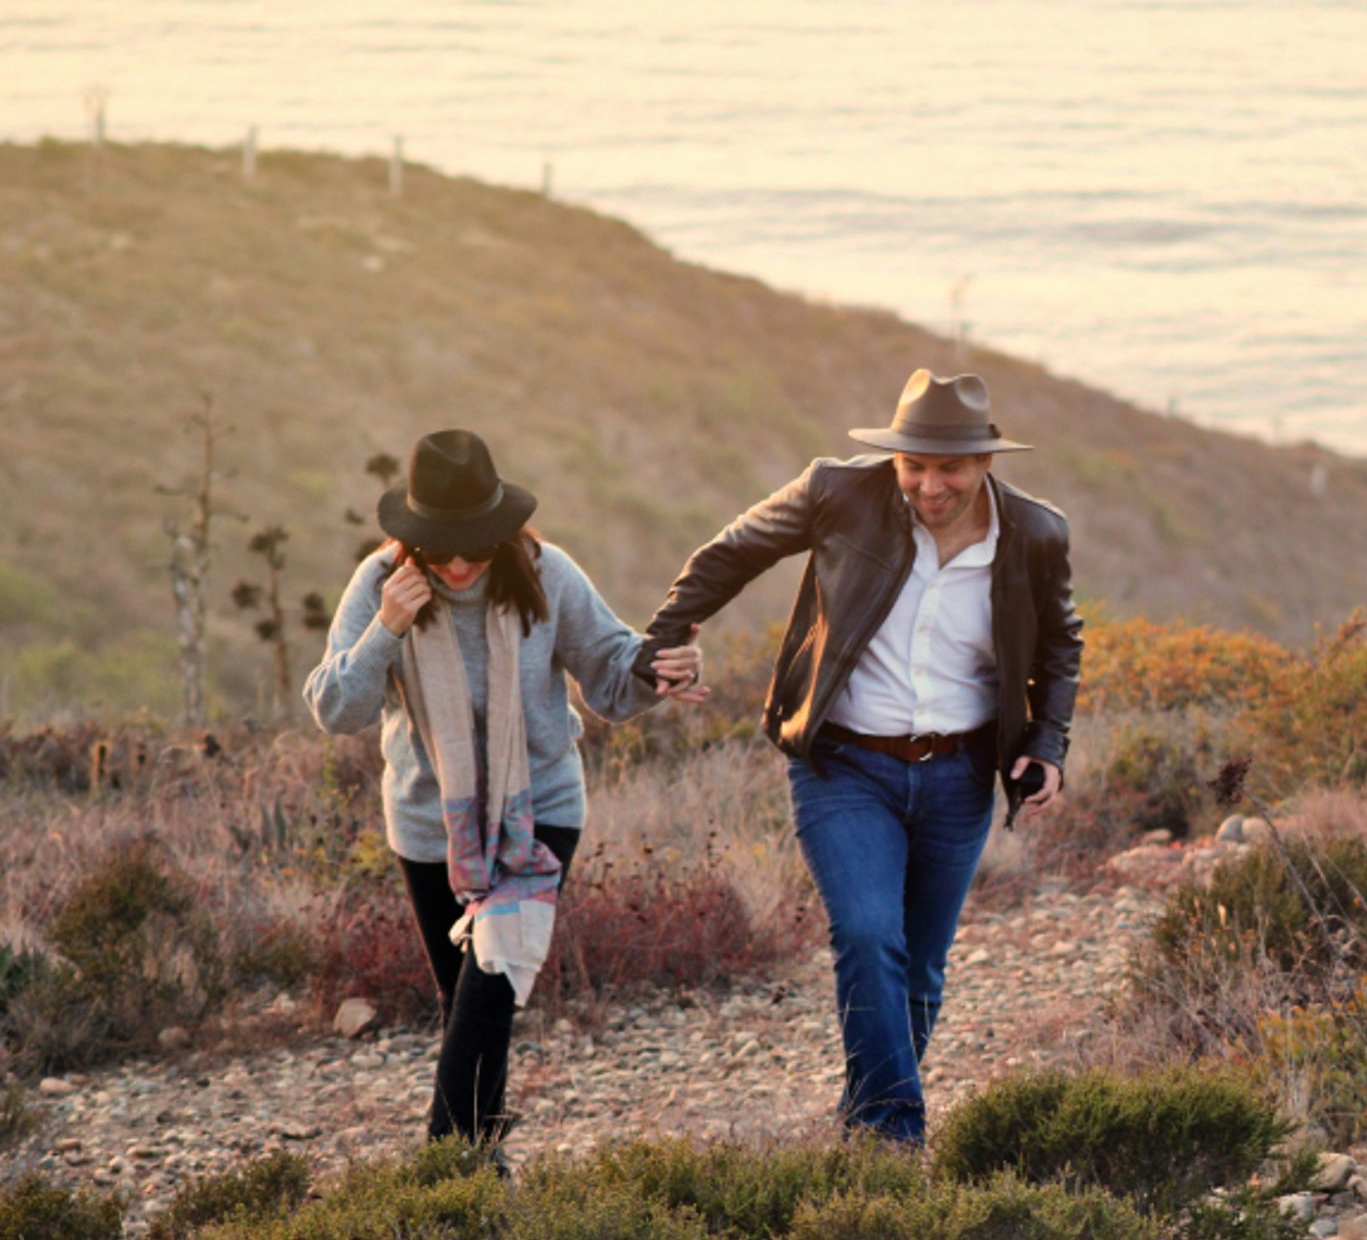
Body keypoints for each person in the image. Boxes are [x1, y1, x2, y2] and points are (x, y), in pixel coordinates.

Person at [635, 369, 1084, 1144]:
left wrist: (1046, 744)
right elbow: (730, 554)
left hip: (960, 774)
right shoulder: (837, 493)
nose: (929, 485)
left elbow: (1059, 643)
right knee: (871, 933)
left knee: (921, 968)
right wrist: (667, 635)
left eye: (949, 469)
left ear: (985, 463)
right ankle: (893, 1137)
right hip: (843, 764)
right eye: (914, 465)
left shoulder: (1036, 534)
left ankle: (862, 1123)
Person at [305, 429, 705, 1151]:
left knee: (490, 986)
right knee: (467, 1004)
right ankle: (481, 1179)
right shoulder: (377, 585)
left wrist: (660, 672)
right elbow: (338, 710)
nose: (459, 565)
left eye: (477, 546)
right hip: (430, 827)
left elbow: (612, 677)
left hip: (539, 811)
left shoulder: (548, 576)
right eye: (441, 549)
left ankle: (444, 1170)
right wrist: (387, 629)